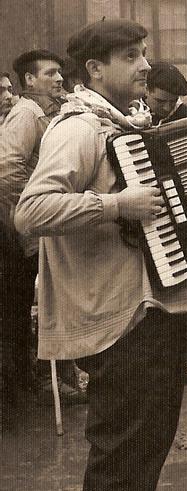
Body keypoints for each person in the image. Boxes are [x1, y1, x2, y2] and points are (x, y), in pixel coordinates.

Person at [14, 19, 187, 491]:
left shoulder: (132, 125)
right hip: (116, 321)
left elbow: (165, 211)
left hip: (150, 312)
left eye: (144, 53)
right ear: (95, 69)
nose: (146, 65)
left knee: (146, 447)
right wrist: (117, 205)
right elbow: (31, 211)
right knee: (120, 452)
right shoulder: (79, 128)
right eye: (131, 57)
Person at [0, 48, 88, 406]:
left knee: (52, 303)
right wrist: (35, 214)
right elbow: (6, 171)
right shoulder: (27, 112)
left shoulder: (47, 111)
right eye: (50, 74)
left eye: (60, 74)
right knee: (46, 304)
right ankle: (45, 383)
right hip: (31, 233)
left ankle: (49, 379)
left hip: (40, 230)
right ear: (29, 81)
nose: (59, 80)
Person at [144, 61, 187, 126]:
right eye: (160, 101)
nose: (167, 108)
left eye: (173, 101)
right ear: (146, 90)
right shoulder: (131, 112)